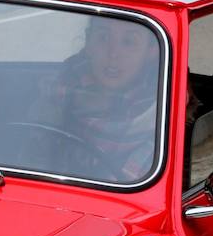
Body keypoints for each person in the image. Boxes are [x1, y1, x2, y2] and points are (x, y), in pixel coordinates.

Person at [32, 18, 160, 181]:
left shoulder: (161, 113)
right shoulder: (57, 90)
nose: (113, 54)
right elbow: (30, 158)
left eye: (128, 42)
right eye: (103, 37)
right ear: (88, 43)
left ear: (151, 51)